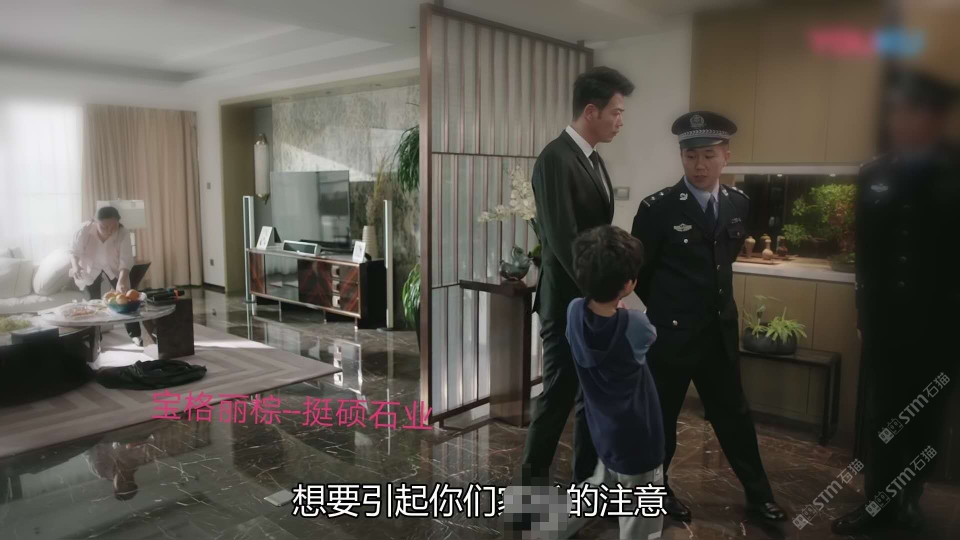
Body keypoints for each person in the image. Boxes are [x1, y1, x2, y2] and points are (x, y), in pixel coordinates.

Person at [630, 111, 785, 522]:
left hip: (718, 334)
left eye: (709, 155)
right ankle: (656, 494)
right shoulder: (658, 208)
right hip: (672, 335)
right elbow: (640, 274)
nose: (699, 165)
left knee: (734, 416)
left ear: (726, 156)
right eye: (691, 156)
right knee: (661, 418)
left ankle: (759, 496)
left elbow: (723, 262)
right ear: (682, 157)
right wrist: (670, 310)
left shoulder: (738, 203)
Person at [832, 68, 959, 535]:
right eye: (898, 112)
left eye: (914, 112)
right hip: (885, 325)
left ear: (936, 118)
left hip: (941, 326)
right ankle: (878, 504)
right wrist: (863, 313)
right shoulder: (875, 174)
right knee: (881, 417)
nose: (902, 121)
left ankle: (910, 500)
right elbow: (867, 254)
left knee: (926, 420)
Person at [523, 66, 635, 488]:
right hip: (567, 302)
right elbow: (563, 238)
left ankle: (584, 487)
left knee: (590, 399)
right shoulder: (556, 158)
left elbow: (596, 233)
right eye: (616, 112)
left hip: (591, 302)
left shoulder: (592, 158)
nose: (620, 121)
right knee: (556, 399)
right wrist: (601, 294)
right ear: (591, 111)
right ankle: (526, 501)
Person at [566, 225, 664, 540]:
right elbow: (649, 337)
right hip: (639, 437)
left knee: (597, 487)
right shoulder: (636, 323)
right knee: (640, 514)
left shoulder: (573, 311)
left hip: (603, 429)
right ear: (628, 284)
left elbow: (602, 323)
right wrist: (622, 307)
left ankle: (543, 532)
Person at [68, 206, 142, 344]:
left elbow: (125, 260)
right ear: (95, 222)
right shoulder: (84, 230)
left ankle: (135, 334)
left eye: (113, 226)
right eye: (104, 226)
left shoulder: (123, 233)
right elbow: (74, 251)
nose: (109, 230)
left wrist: (121, 281)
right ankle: (95, 337)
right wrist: (75, 266)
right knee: (92, 303)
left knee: (126, 299)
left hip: (114, 267)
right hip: (90, 268)